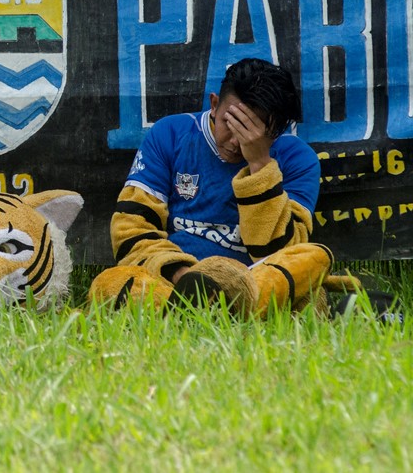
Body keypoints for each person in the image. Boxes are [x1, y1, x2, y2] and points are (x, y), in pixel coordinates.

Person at [89, 57, 358, 314]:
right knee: (113, 284)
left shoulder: (298, 159)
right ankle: (199, 309)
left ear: (276, 132)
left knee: (312, 261)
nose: (235, 143)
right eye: (232, 124)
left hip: (255, 282)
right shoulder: (170, 134)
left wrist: (260, 165)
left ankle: (202, 311)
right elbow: (131, 230)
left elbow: (282, 253)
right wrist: (184, 275)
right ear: (214, 104)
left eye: (253, 132)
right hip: (174, 280)